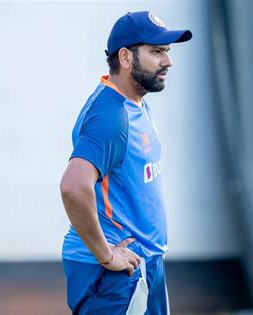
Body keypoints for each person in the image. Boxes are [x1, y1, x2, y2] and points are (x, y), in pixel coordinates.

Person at [60, 11, 192, 315]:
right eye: (156, 52)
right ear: (126, 57)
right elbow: (73, 187)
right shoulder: (110, 115)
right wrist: (106, 256)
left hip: (145, 264)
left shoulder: (137, 103)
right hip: (114, 273)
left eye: (167, 52)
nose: (167, 62)